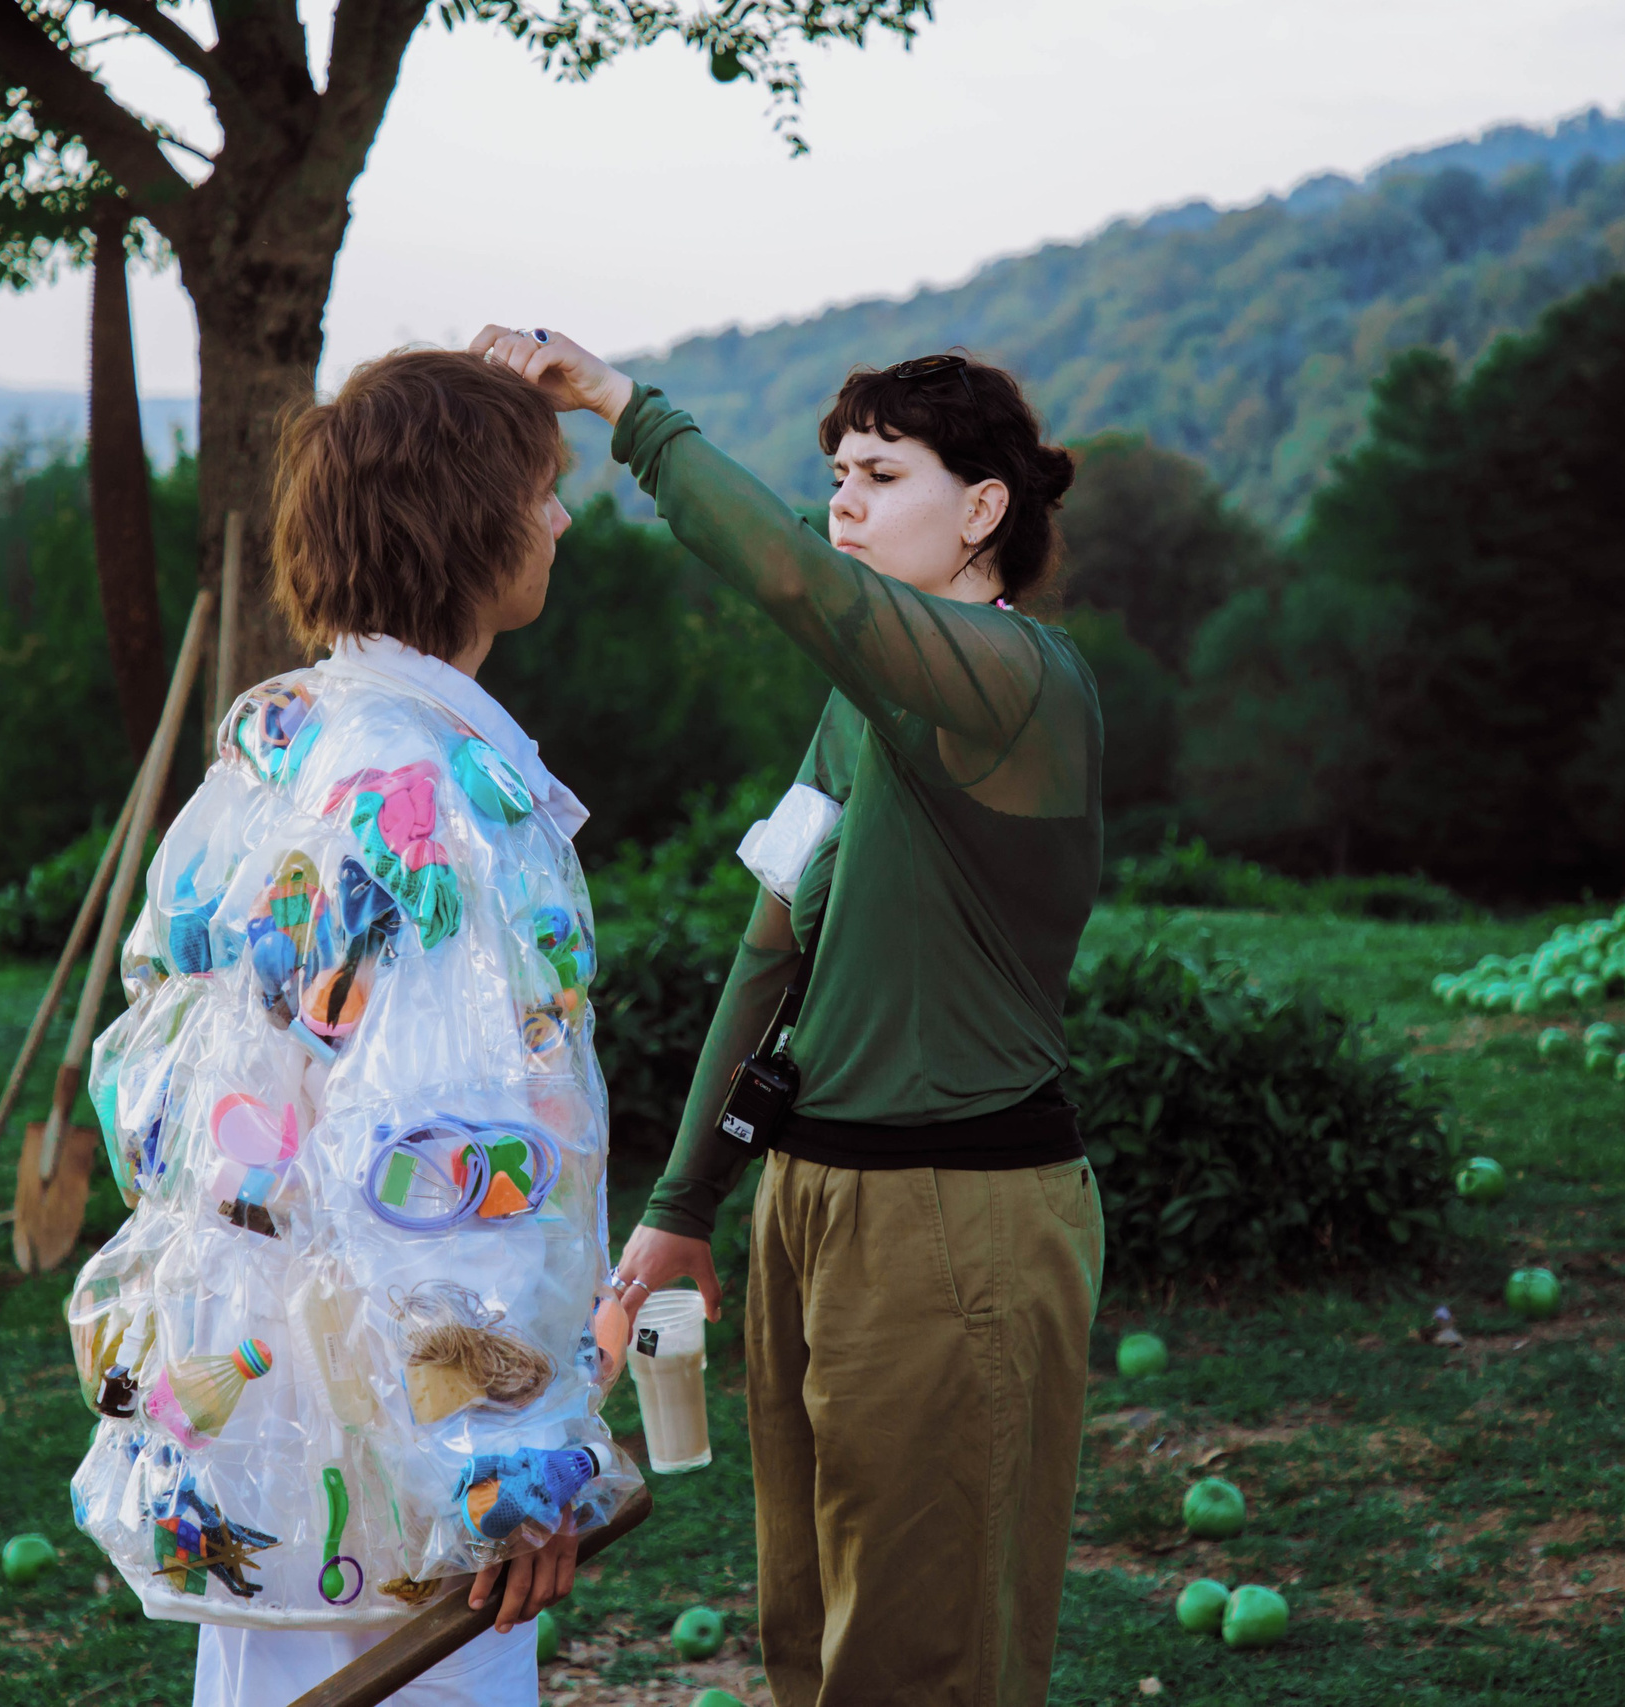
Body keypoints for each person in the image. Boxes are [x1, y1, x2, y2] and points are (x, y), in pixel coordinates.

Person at [472, 325, 1106, 1707]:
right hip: (809, 1203)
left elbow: (798, 583)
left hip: (959, 1213)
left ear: (984, 510)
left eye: (881, 475)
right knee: (812, 1632)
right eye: (835, 476)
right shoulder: (861, 716)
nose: (844, 504)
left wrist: (627, 414)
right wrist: (688, 1202)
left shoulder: (1020, 689)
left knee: (924, 1653)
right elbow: (773, 959)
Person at [61, 348, 637, 1707]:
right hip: (397, 1469)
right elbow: (441, 1154)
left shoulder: (287, 743)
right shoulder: (418, 791)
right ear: (468, 520)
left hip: (272, 1426)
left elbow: (165, 1086)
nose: (559, 521)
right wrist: (507, 1468)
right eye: (541, 492)